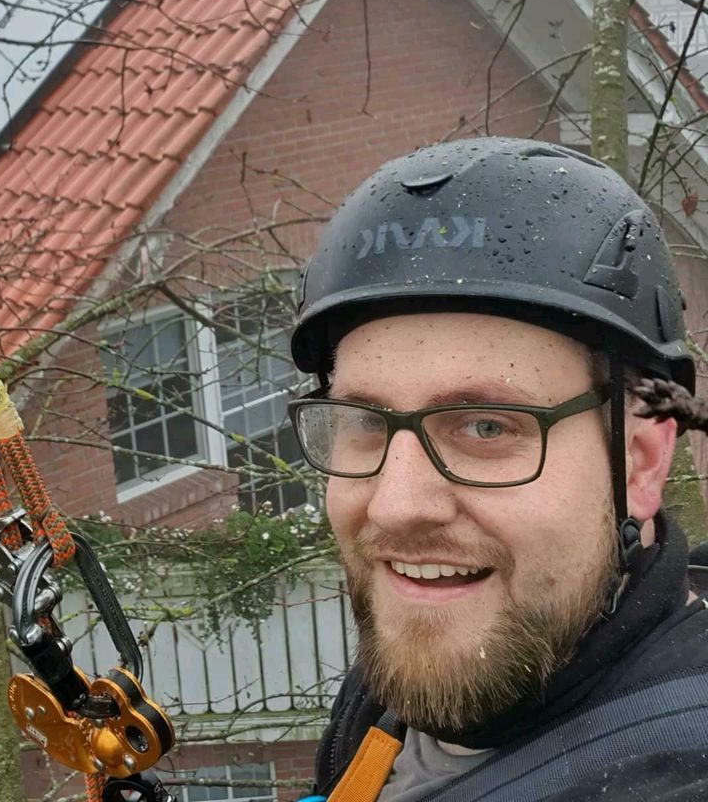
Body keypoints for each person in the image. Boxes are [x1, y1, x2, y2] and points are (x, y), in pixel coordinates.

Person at [286, 138, 708, 802]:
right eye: (367, 421)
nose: (396, 505)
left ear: (641, 464)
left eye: (486, 427)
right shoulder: (394, 697)